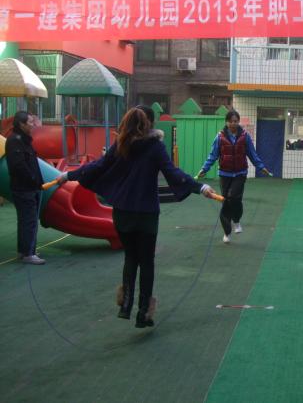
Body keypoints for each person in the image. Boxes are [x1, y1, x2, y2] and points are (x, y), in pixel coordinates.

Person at [58, 106, 214, 328]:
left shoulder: (121, 144)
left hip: (123, 211)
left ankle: (125, 304)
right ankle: (144, 312)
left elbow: (98, 166)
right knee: (146, 261)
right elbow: (173, 172)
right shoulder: (155, 147)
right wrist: (200, 187)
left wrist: (68, 175)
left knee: (131, 257)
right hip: (146, 212)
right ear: (150, 123)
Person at [197, 110, 270, 244]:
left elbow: (252, 154)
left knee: (234, 197)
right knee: (226, 201)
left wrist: (261, 166)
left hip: (240, 173)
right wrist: (204, 169)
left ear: (238, 122)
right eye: (231, 121)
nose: (233, 123)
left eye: (236, 121)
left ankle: (236, 220)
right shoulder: (220, 137)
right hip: (224, 174)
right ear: (226, 122)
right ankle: (227, 232)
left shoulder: (245, 136)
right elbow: (213, 155)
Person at [5, 111, 45, 264]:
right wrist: (33, 180)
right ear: (21, 124)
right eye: (30, 122)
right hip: (24, 189)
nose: (33, 125)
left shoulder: (24, 140)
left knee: (26, 220)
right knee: (29, 220)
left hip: (30, 187)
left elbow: (31, 163)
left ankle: (25, 251)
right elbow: (19, 166)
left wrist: (38, 181)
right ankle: (28, 253)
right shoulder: (15, 141)